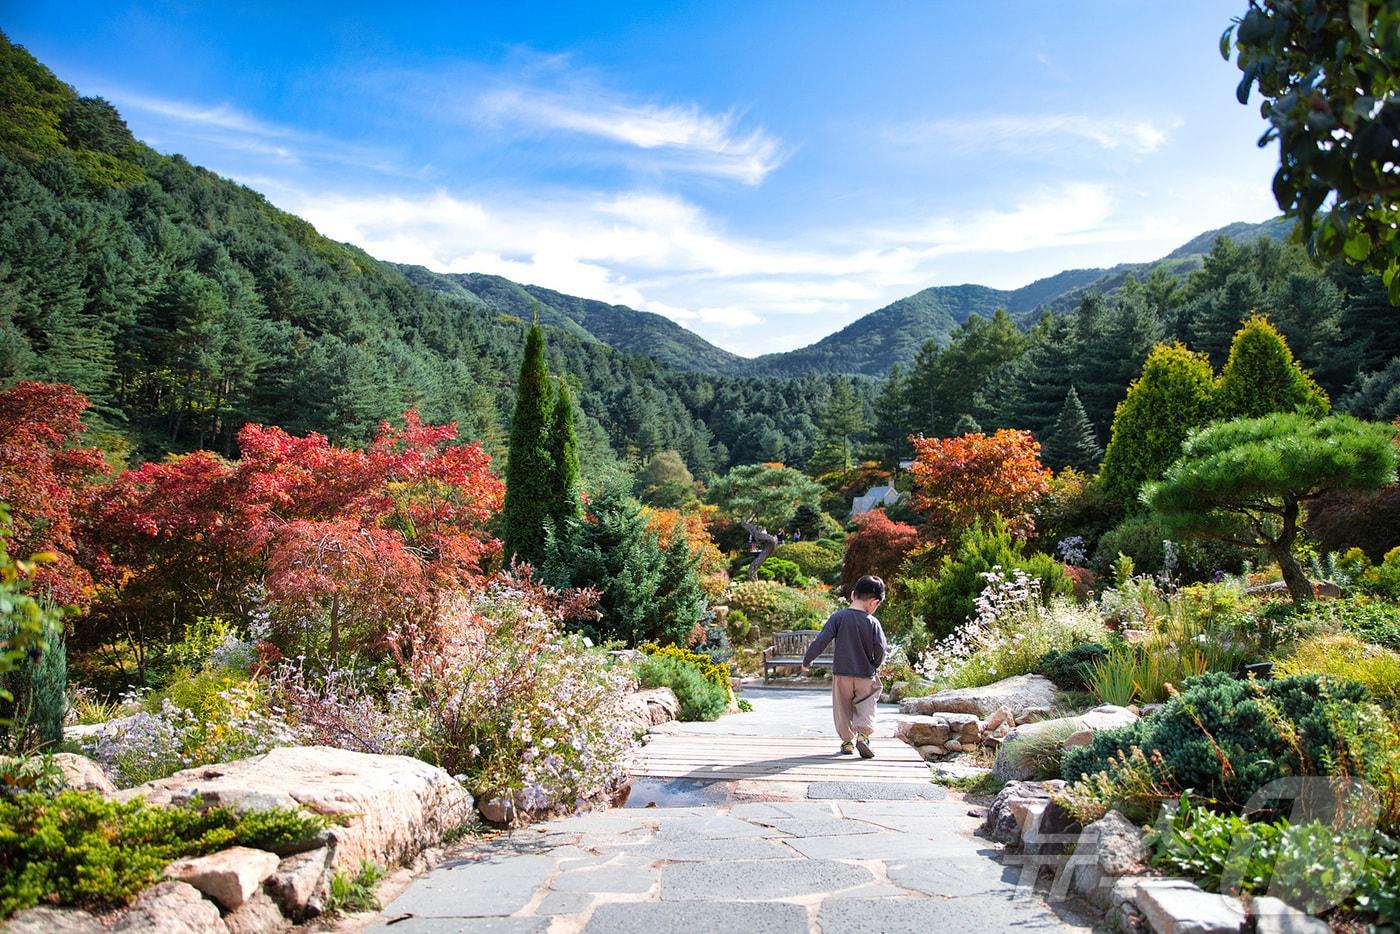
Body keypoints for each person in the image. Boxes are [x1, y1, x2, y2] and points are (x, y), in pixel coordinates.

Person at [801, 575, 889, 758]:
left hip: (842, 673)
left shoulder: (838, 617)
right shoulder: (873, 622)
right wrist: (875, 664)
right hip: (865, 673)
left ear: (852, 595)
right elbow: (881, 648)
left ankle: (847, 742)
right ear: (875, 603)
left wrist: (807, 660)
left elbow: (821, 639)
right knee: (867, 703)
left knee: (842, 707)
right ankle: (863, 736)